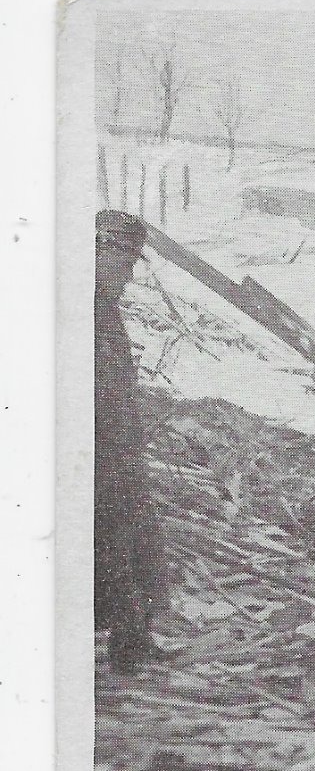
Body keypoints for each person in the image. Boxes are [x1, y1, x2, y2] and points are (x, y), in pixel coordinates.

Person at [94, 210, 168, 673]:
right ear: (102, 251)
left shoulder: (102, 306)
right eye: (126, 261)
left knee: (133, 541)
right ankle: (125, 650)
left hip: (119, 449)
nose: (131, 272)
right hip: (96, 452)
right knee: (110, 544)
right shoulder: (76, 305)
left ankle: (132, 643)